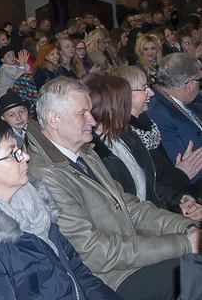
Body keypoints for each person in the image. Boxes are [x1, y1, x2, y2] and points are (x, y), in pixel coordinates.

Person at [27, 77, 199, 299]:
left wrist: (186, 228)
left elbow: (130, 206)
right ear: (54, 119)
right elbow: (95, 252)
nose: (92, 120)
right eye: (83, 113)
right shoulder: (46, 175)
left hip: (129, 260)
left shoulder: (84, 153)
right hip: (106, 280)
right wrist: (184, 244)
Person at [0, 110, 119, 299]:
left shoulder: (34, 206)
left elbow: (79, 274)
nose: (26, 157)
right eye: (13, 153)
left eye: (20, 149)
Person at [84, 71, 202, 218]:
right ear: (108, 108)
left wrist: (182, 201)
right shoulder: (96, 153)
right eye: (123, 102)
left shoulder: (126, 136)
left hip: (157, 212)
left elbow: (150, 187)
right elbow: (130, 208)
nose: (127, 109)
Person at [112, 65, 202, 197]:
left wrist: (182, 167)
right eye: (144, 89)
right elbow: (144, 194)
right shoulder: (123, 138)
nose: (152, 93)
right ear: (124, 95)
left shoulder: (148, 125)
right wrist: (180, 174)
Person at [146, 53, 202, 182]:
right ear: (189, 86)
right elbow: (184, 165)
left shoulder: (172, 99)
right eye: (199, 81)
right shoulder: (158, 114)